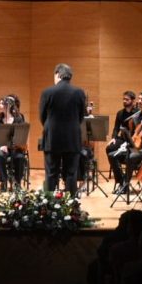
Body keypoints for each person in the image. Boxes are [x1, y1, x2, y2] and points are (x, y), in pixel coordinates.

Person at [38, 63, 87, 196]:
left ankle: (48, 204)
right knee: (71, 173)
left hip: (52, 139)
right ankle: (72, 205)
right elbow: (81, 116)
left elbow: (42, 116)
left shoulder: (48, 92)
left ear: (57, 74)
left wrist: (51, 128)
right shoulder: (79, 92)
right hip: (72, 138)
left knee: (51, 173)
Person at [0, 95, 27, 191]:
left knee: (20, 157)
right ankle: (3, 181)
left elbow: (21, 137)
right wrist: (1, 145)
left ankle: (17, 182)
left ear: (11, 106)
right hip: (2, 148)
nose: (4, 106)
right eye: (3, 104)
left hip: (15, 148)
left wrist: (9, 145)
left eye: (7, 104)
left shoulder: (18, 120)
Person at [105, 91, 138, 194]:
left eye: (127, 99)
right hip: (123, 139)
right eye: (123, 99)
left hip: (134, 140)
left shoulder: (137, 113)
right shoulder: (120, 113)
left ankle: (124, 180)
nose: (124, 101)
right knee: (109, 148)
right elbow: (116, 128)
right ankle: (120, 180)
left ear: (133, 101)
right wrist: (114, 137)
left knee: (123, 153)